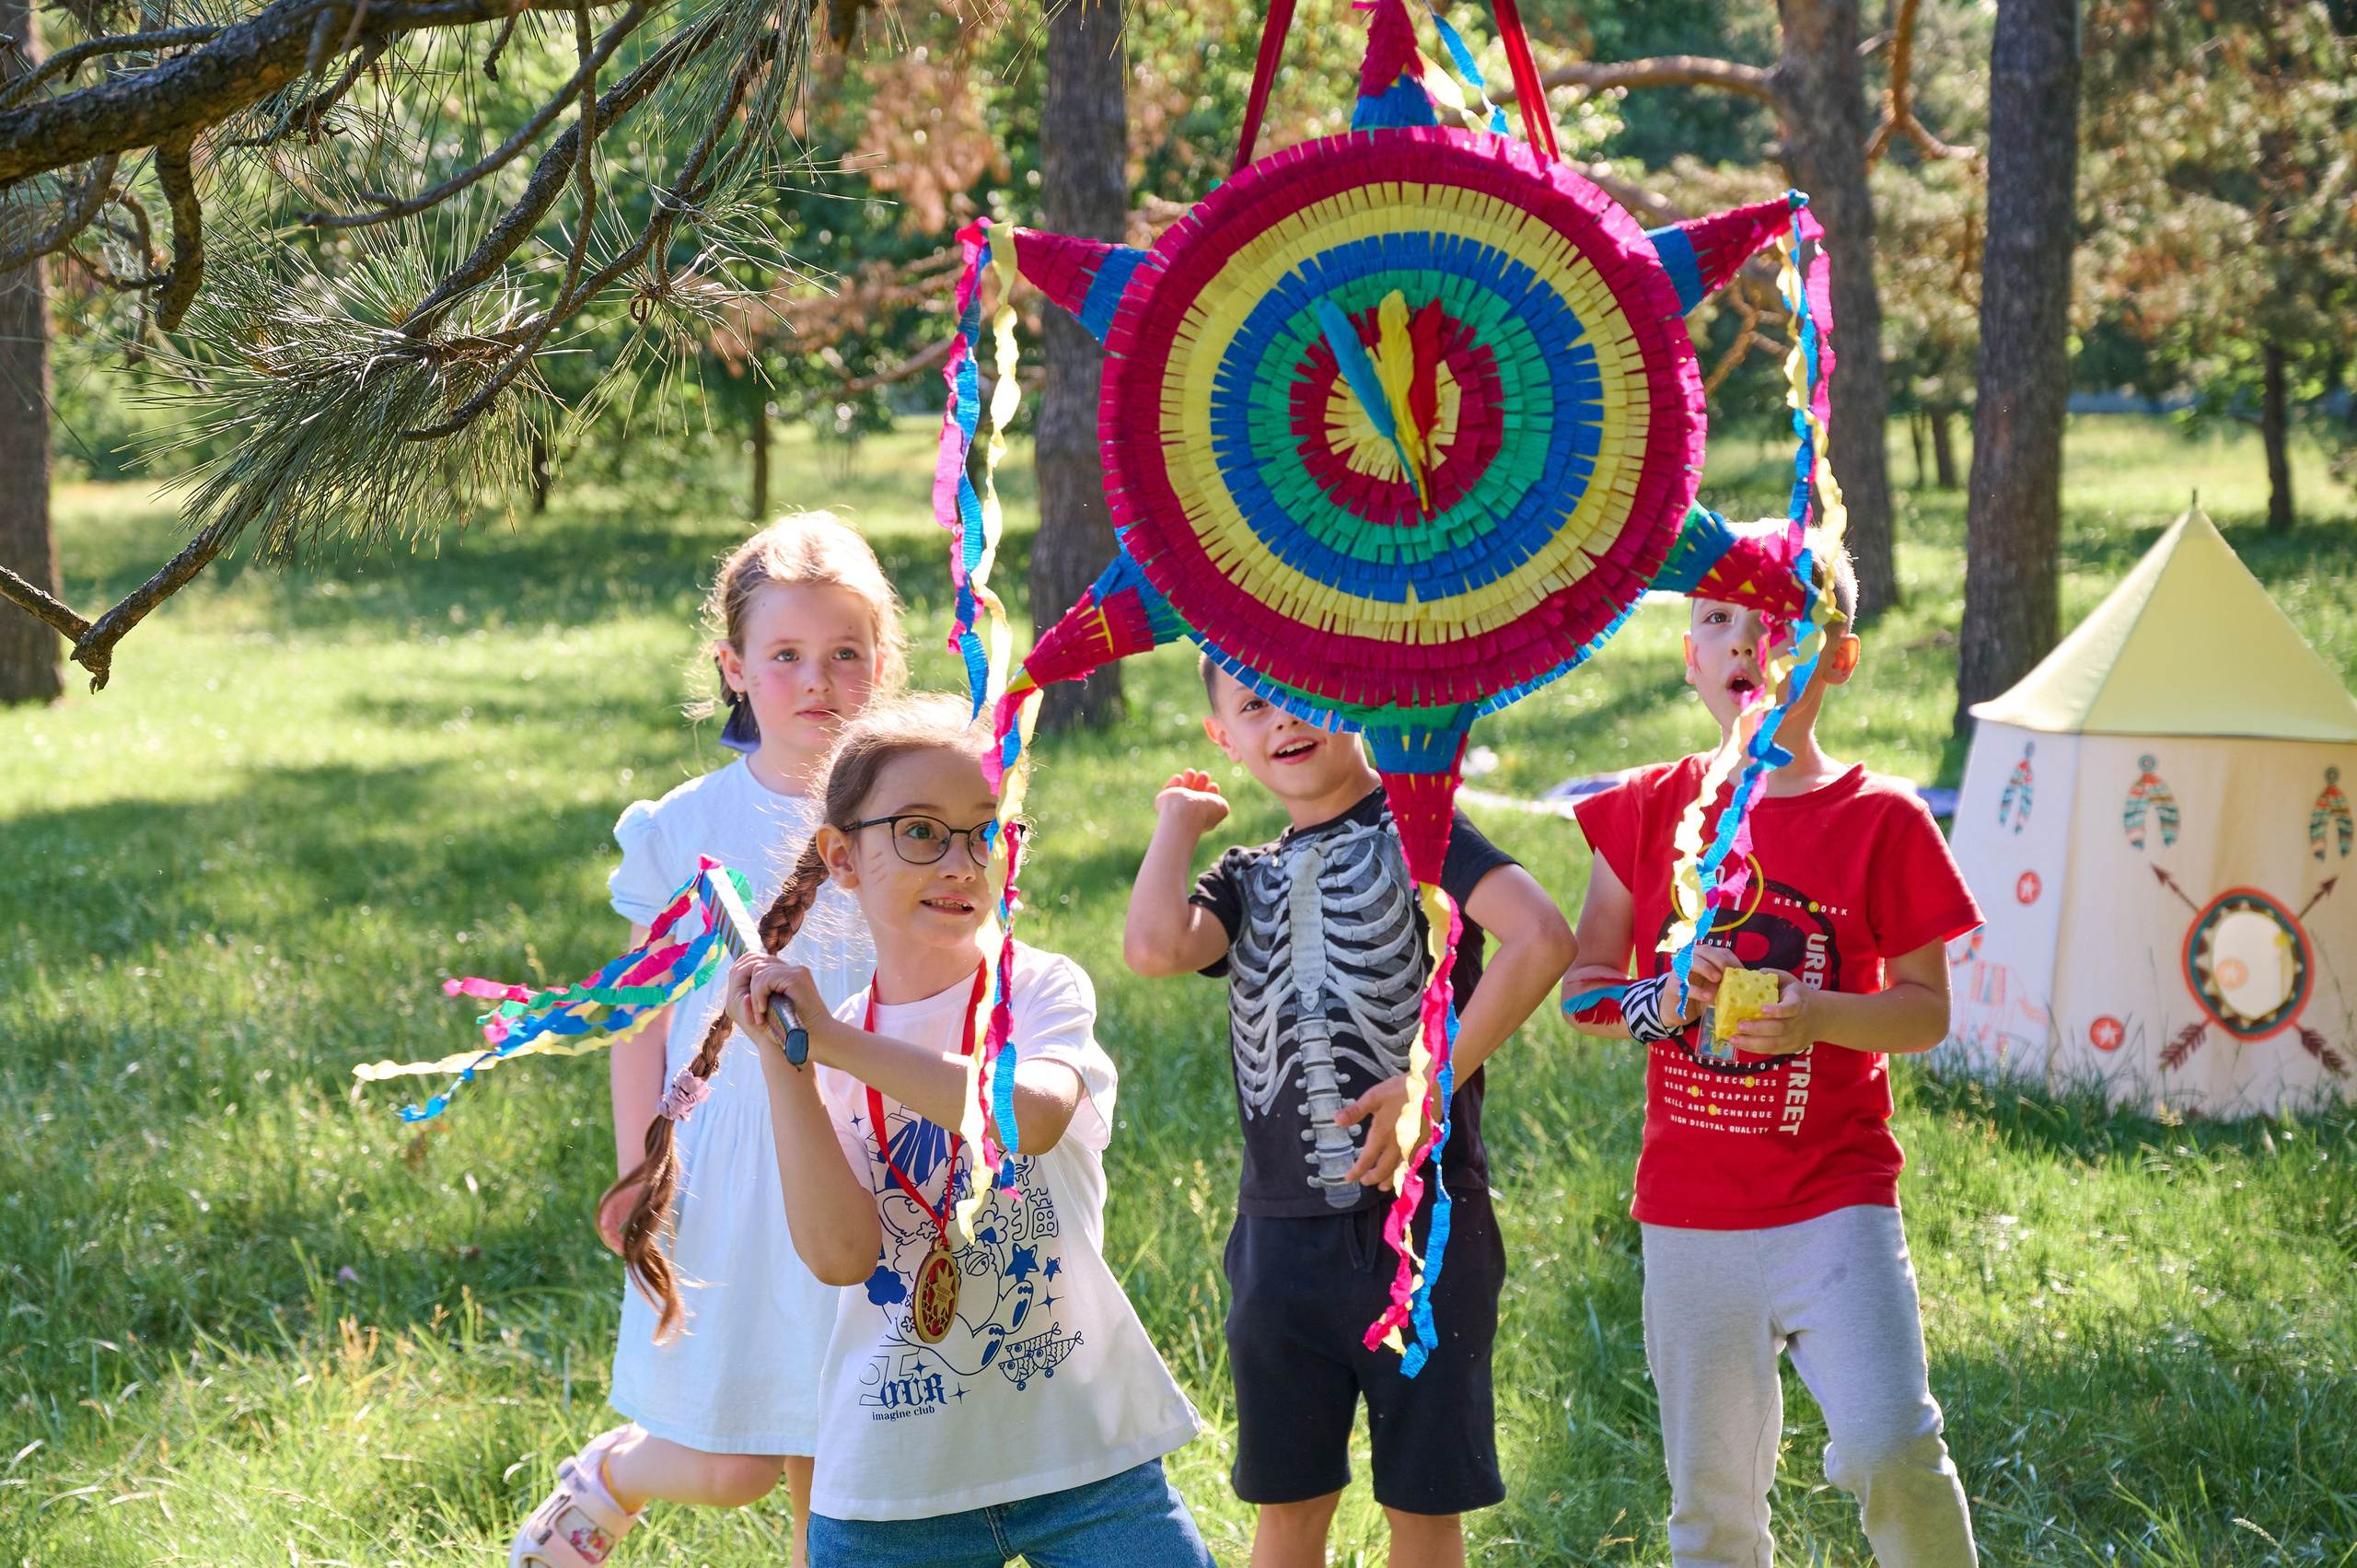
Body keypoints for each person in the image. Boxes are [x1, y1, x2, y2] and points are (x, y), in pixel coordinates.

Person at [1561, 534, 1983, 1568]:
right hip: (1691, 1212)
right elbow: (1584, 991)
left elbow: (1924, 1011)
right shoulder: (1647, 809)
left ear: (1838, 655)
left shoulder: (1882, 819)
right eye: (1717, 619)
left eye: (1778, 620)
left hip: (1835, 1198)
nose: (1746, 641)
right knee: (1711, 1506)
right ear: (1689, 658)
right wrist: (1665, 996)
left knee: (1892, 1444)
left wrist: (1818, 1015)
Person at [725, 693, 1213, 1568]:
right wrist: (786, 1064)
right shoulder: (825, 1045)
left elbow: (1031, 1115)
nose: (960, 862)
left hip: (1082, 1454)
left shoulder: (1040, 988)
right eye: (920, 831)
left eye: (986, 832)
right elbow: (841, 1255)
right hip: (895, 1479)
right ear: (842, 856)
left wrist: (834, 1042)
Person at [510, 514, 901, 1568]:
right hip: (730, 1162)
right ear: (734, 666)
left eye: (845, 652)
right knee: (736, 1463)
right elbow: (639, 1012)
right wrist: (639, 1161)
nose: (817, 679)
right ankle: (612, 1475)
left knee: (846, 1445)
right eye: (785, 654)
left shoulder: (906, 813)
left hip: (871, 1151)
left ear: (882, 662)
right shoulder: (687, 825)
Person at [1122, 658, 1574, 1568]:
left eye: (1299, 692)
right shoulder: (1244, 876)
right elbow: (1154, 946)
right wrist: (1176, 821)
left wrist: (1428, 1081)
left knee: (1424, 1510)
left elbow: (1543, 935)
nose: (1283, 719)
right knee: (1289, 1507)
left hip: (1425, 1234)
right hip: (1279, 1244)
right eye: (1253, 706)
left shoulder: (1425, 830)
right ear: (1224, 737)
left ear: (1351, 694)